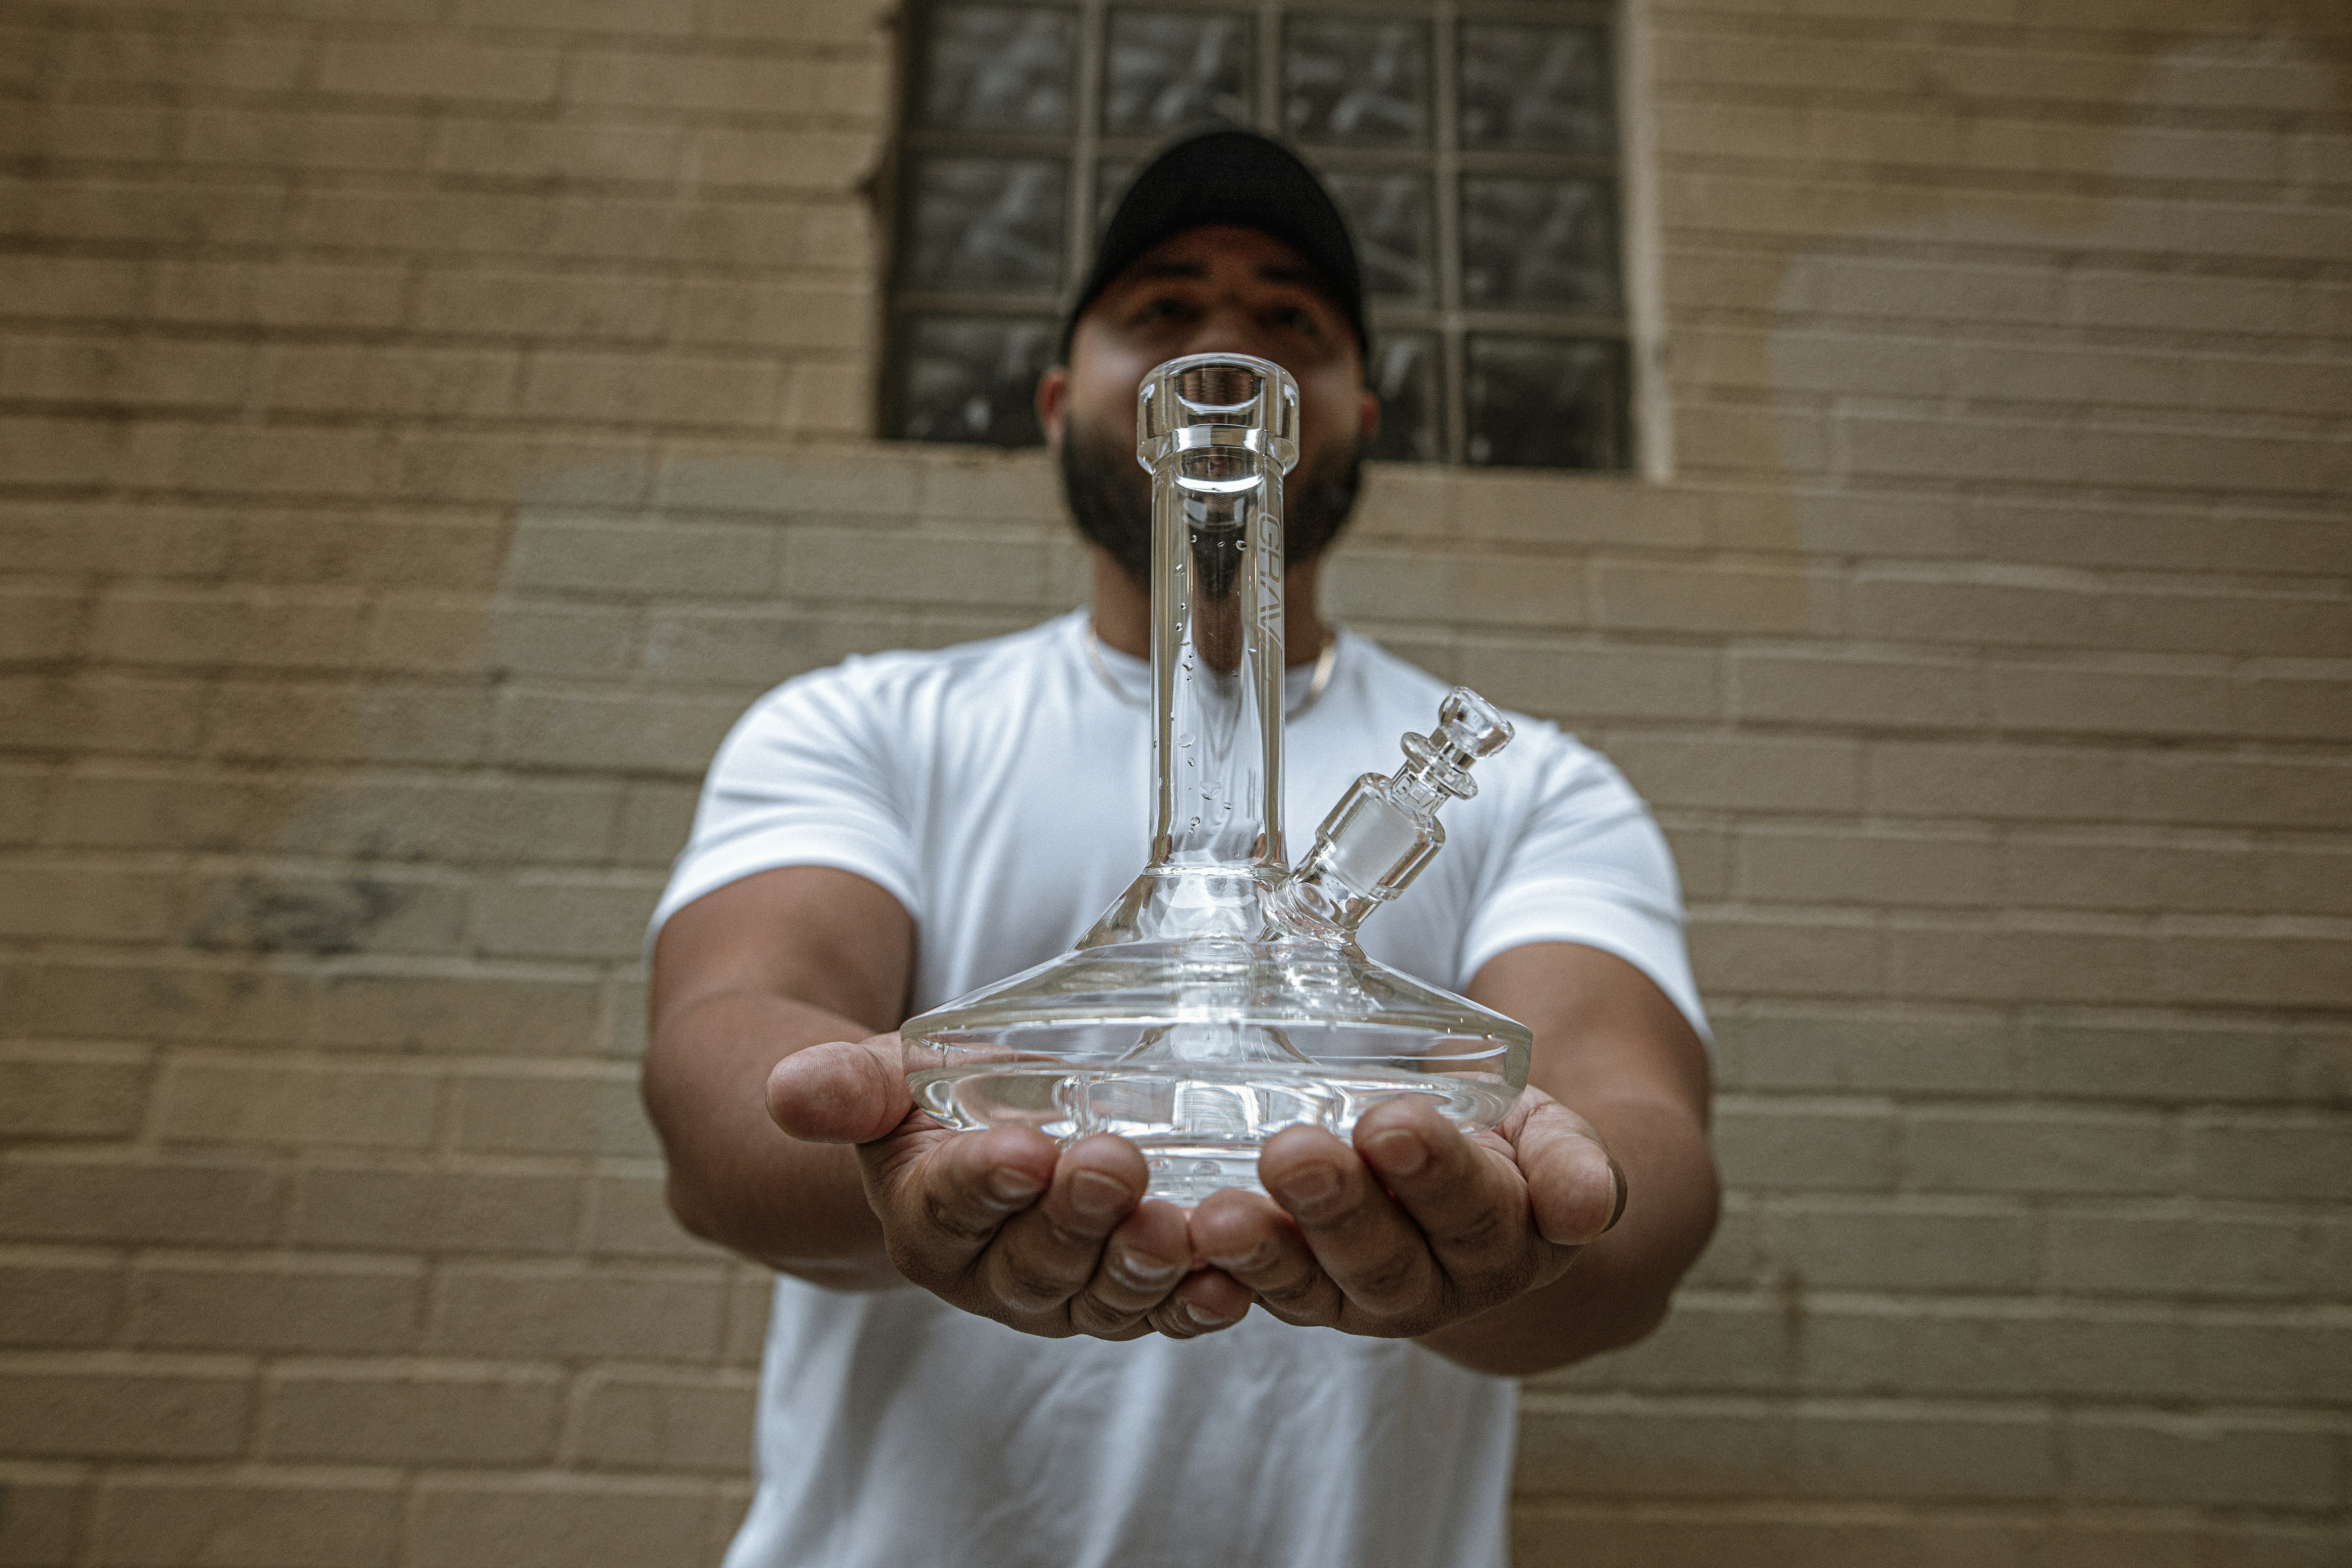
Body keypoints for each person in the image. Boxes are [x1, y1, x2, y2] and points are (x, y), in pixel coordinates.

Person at [643, 129, 1719, 1568]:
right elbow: (719, 1057)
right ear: (1057, 396)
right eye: (1158, 311)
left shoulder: (1544, 785)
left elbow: (1636, 1139)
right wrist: (890, 1146)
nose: (1221, 343)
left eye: (1291, 320)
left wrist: (1529, 1232)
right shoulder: (870, 724)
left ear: (1359, 411)